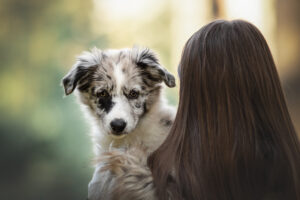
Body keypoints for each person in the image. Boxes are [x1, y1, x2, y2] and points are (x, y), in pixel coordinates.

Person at [88, 19, 300, 200]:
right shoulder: (289, 168)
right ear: (267, 85)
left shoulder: (128, 180)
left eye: (183, 78)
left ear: (194, 92)